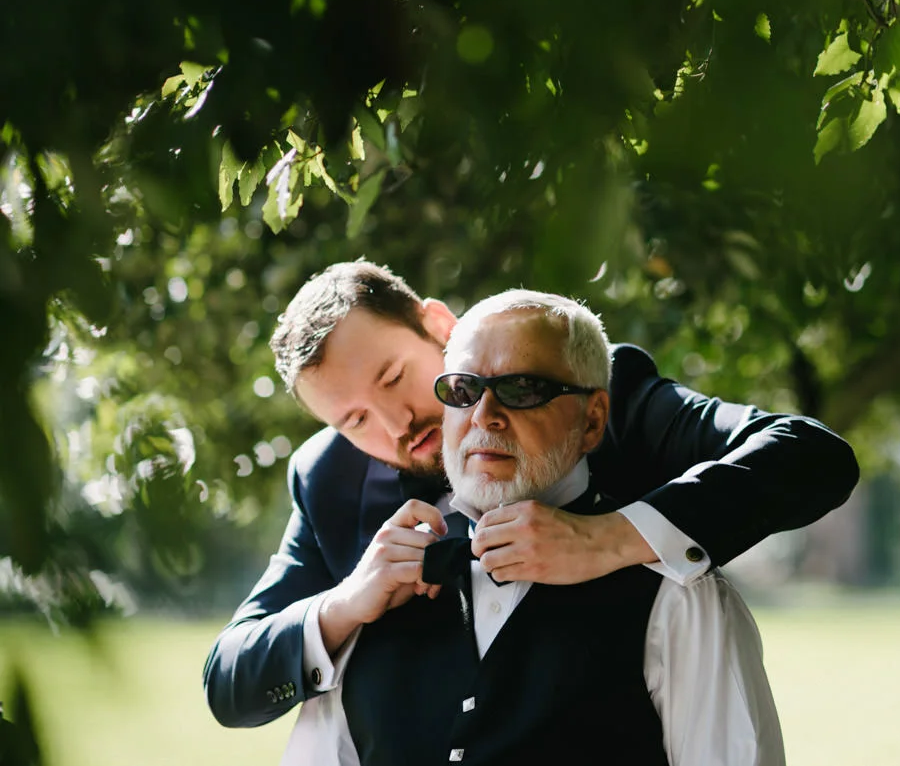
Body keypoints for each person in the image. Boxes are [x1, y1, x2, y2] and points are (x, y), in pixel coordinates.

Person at [203, 261, 857, 727]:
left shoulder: (600, 390)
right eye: (353, 420)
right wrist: (345, 602)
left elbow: (813, 456)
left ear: (436, 324)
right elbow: (231, 680)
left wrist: (608, 539)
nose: (396, 425)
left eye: (395, 377)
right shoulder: (330, 480)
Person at [281, 290, 785, 765]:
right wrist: (345, 603)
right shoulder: (365, 603)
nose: (485, 415)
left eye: (522, 388)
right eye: (462, 389)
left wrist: (606, 539)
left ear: (592, 422)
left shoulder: (681, 601)